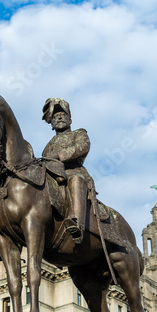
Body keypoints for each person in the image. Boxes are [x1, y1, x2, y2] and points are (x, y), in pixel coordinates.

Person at [42, 98, 91, 244]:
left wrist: (58, 155)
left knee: (75, 179)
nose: (60, 117)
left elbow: (82, 147)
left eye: (63, 115)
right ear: (51, 124)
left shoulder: (79, 133)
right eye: (56, 117)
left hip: (73, 171)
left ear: (70, 120)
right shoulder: (49, 144)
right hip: (53, 176)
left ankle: (77, 224)